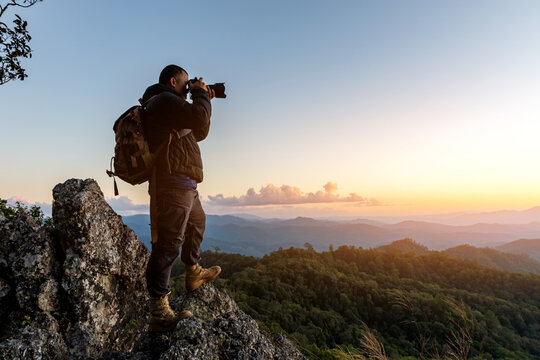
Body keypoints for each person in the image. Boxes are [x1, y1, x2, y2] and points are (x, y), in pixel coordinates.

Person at [140, 64, 221, 332]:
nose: (188, 90)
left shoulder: (173, 106)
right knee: (168, 246)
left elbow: (201, 130)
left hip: (186, 184)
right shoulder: (162, 100)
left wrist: (203, 98)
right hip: (172, 184)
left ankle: (193, 272)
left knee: (198, 222)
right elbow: (198, 120)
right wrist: (200, 96)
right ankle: (158, 312)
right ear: (173, 81)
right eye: (186, 85)